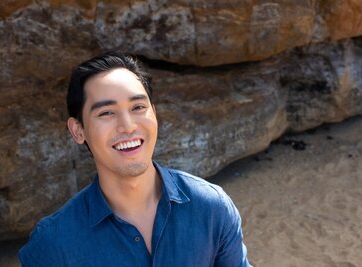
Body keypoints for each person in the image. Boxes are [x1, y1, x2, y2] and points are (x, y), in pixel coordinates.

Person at [18, 51, 252, 267]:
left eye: (138, 107)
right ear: (78, 130)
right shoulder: (52, 244)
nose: (128, 126)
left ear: (155, 113)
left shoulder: (212, 208)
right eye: (106, 113)